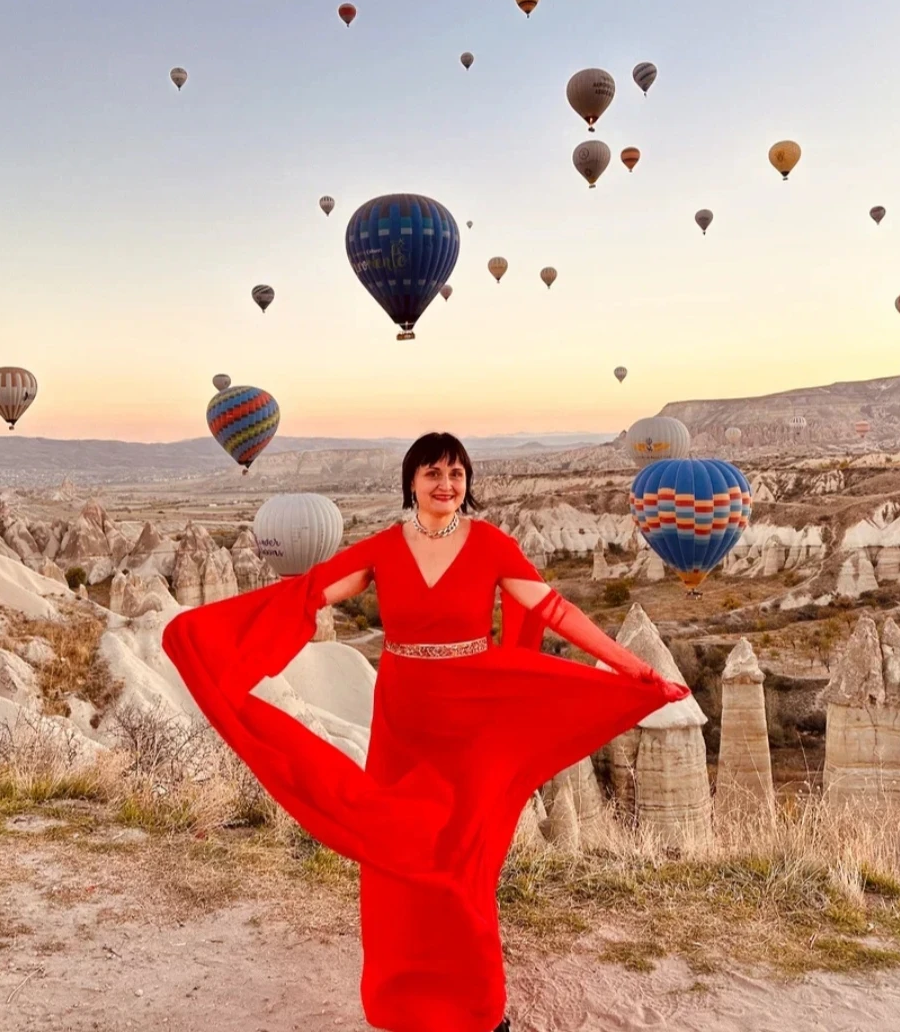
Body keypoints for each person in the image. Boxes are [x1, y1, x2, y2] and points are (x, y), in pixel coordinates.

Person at [163, 432, 689, 1032]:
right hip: (403, 717)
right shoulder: (385, 549)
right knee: (398, 861)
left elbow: (554, 611)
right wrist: (212, 633)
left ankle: (479, 1010)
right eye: (433, 473)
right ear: (411, 482)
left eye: (457, 473)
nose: (446, 484)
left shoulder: (491, 544)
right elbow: (308, 595)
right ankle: (405, 1003)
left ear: (467, 483)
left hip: (471, 717)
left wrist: (635, 668)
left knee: (462, 866)